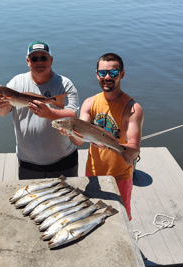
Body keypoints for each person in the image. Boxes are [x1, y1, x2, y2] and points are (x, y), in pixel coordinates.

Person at [59, 53, 144, 220]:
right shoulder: (89, 103)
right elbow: (79, 140)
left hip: (120, 175)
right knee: (90, 214)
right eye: (102, 73)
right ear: (97, 74)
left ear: (122, 74)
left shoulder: (132, 108)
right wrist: (69, 132)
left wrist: (117, 147)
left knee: (121, 219)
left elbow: (133, 149)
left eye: (113, 73)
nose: (107, 77)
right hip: (93, 172)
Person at [0, 41, 79, 180]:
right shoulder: (16, 83)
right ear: (28, 61)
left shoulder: (65, 84)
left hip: (63, 161)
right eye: (34, 58)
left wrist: (49, 114)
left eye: (43, 58)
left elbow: (73, 117)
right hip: (28, 163)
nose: (39, 62)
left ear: (51, 60)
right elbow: (0, 113)